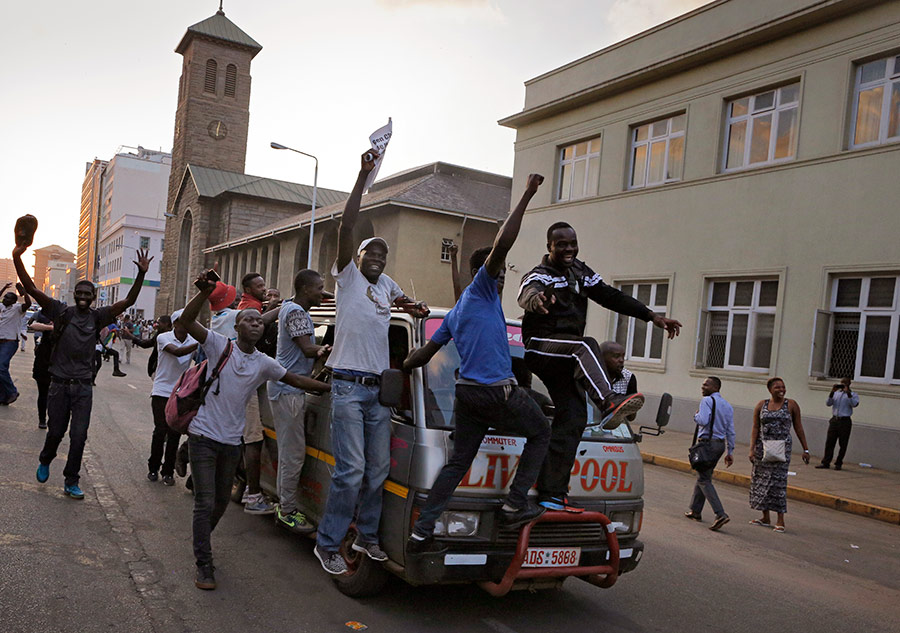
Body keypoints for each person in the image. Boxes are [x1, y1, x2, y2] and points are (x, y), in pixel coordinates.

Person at [404, 174, 551, 555]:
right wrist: (527, 195)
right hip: (494, 393)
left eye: (503, 277)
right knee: (540, 432)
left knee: (457, 464)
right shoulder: (483, 288)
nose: (501, 281)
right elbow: (503, 243)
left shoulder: (458, 312)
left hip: (468, 396)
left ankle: (422, 530)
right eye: (497, 274)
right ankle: (515, 502)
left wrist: (399, 366)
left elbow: (423, 356)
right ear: (483, 273)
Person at [315, 149, 429, 576]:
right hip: (346, 386)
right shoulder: (347, 278)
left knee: (378, 470)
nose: (378, 258)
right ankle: (327, 543)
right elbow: (347, 225)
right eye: (371, 253)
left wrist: (413, 306)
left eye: (383, 254)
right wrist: (362, 179)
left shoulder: (385, 287)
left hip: (377, 392)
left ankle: (366, 534)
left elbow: (403, 300)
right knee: (352, 470)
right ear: (356, 258)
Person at [178, 268, 329, 590]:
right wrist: (204, 293)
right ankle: (204, 563)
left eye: (259, 321)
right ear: (237, 326)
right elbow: (188, 323)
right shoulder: (221, 346)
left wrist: (333, 387)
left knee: (219, 503)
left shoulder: (264, 362)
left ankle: (202, 537)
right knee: (206, 502)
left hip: (232, 443)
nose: (255, 323)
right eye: (249, 320)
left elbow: (296, 379)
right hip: (203, 437)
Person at [517, 222, 682, 512]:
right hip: (541, 347)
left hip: (566, 357)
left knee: (574, 416)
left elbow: (611, 296)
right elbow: (526, 292)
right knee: (586, 345)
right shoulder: (539, 275)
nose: (568, 249)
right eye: (561, 245)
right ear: (549, 247)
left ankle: (551, 492)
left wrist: (653, 317)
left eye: (572, 243)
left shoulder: (581, 272)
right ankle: (609, 402)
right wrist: (535, 301)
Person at [14, 241, 152, 500]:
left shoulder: (99, 316)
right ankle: (46, 459)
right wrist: (17, 256)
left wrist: (142, 273)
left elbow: (129, 300)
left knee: (78, 436)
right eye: (81, 292)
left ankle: (71, 480)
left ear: (93, 297)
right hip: (58, 386)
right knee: (56, 432)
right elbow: (31, 287)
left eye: (89, 294)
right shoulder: (59, 311)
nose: (84, 297)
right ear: (75, 294)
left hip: (83, 388)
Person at [268, 269, 330, 533]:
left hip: (286, 388)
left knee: (289, 452)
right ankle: (288, 510)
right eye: (318, 288)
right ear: (305, 289)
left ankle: (285, 503)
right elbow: (307, 349)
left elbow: (317, 293)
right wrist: (326, 350)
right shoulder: (296, 313)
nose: (321, 292)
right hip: (289, 390)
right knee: (293, 456)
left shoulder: (290, 306)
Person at [236, 271, 277, 515]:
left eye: (265, 284)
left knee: (236, 434)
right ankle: (253, 495)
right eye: (260, 286)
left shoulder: (254, 306)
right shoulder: (251, 308)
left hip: (254, 378)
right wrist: (281, 309)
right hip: (248, 382)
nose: (264, 288)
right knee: (252, 439)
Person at [749, 377, 811, 533]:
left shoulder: (791, 405)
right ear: (770, 389)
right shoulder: (761, 405)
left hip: (781, 449)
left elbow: (798, 427)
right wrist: (752, 449)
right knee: (762, 482)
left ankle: (780, 520)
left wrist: (806, 449)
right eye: (777, 387)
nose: (781, 389)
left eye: (783, 387)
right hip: (763, 449)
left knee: (778, 483)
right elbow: (755, 428)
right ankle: (765, 517)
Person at [148, 310, 198, 486]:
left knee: (174, 433)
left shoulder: (193, 340)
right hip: (161, 391)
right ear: (176, 323)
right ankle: (153, 467)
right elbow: (176, 352)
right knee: (160, 430)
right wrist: (200, 342)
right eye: (185, 321)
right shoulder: (164, 337)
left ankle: (168, 471)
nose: (188, 325)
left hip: (180, 393)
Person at [684, 377, 734, 531]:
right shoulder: (727, 405)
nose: (702, 386)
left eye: (706, 384)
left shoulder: (706, 401)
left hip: (707, 444)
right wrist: (730, 451)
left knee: (704, 479)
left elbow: (703, 420)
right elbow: (730, 431)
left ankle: (720, 514)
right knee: (704, 476)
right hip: (719, 445)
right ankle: (695, 511)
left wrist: (695, 415)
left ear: (715, 387)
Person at [816, 377, 859, 471]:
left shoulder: (853, 394)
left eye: (845, 384)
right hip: (835, 420)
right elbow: (828, 403)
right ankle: (826, 462)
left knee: (843, 443)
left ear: (848, 384)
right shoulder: (836, 394)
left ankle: (839, 463)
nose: (842, 385)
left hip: (845, 421)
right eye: (841, 383)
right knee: (830, 442)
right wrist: (832, 392)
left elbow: (854, 404)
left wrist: (848, 393)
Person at [0, 283, 30, 405]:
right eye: (4, 297)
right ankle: (3, 396)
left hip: (10, 342)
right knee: (2, 369)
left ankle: (12, 391)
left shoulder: (17, 309)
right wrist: (3, 289)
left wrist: (24, 293)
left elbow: (27, 304)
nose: (5, 299)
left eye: (8, 297)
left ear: (13, 300)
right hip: (0, 342)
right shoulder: (2, 308)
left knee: (1, 367)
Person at [29, 310, 54, 428]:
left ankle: (53, 419)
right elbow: (33, 325)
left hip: (59, 362)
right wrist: (51, 327)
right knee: (43, 392)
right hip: (43, 360)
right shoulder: (43, 317)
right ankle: (42, 419)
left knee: (56, 395)